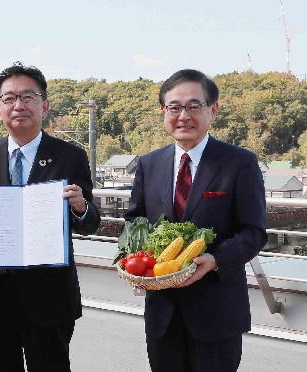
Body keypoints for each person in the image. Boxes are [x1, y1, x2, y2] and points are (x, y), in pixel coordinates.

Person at [124, 69, 267, 372]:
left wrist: (215, 259)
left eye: (194, 106)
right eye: (174, 107)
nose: (183, 116)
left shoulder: (239, 162)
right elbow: (135, 220)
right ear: (164, 111)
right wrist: (133, 256)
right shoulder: (149, 164)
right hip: (162, 313)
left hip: (217, 310)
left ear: (212, 110)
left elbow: (253, 231)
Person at [0, 62, 101, 372]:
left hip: (49, 297)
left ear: (45, 105)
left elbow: (90, 222)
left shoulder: (70, 156)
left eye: (28, 97)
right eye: (9, 98)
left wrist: (80, 207)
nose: (18, 105)